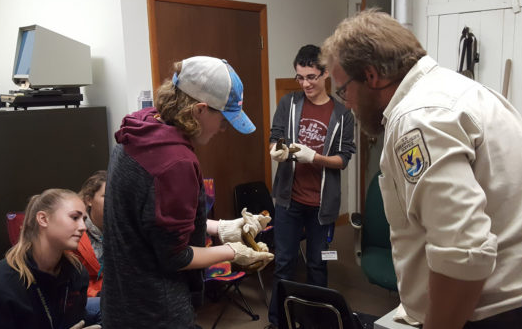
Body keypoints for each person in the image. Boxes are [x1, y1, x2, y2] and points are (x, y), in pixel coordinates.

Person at [320, 9, 522, 329]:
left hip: (495, 317)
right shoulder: (471, 93)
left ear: (371, 75)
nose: (346, 104)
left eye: (343, 90)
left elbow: (463, 254)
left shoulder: (418, 118)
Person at [102, 56, 274, 328]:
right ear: (200, 109)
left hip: (121, 302)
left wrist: (222, 227)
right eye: (223, 118)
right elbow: (175, 256)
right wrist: (232, 251)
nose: (223, 128)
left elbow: (154, 223)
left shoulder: (139, 128)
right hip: (156, 311)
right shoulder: (175, 162)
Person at [266, 44, 356, 327]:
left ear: (326, 73)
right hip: (288, 200)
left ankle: (319, 322)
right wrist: (276, 150)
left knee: (317, 265)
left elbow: (343, 159)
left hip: (321, 205)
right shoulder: (289, 104)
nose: (305, 83)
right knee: (284, 264)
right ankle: (279, 322)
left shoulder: (342, 114)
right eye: (300, 77)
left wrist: (314, 157)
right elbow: (275, 137)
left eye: (311, 77)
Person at [0, 189, 99, 329]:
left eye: (84, 219)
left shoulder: (76, 273)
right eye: (75, 217)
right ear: (43, 219)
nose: (83, 227)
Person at [74, 170, 107, 325]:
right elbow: (70, 282)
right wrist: (100, 293)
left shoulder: (121, 229)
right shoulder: (75, 232)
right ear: (89, 200)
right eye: (106, 196)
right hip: (87, 296)